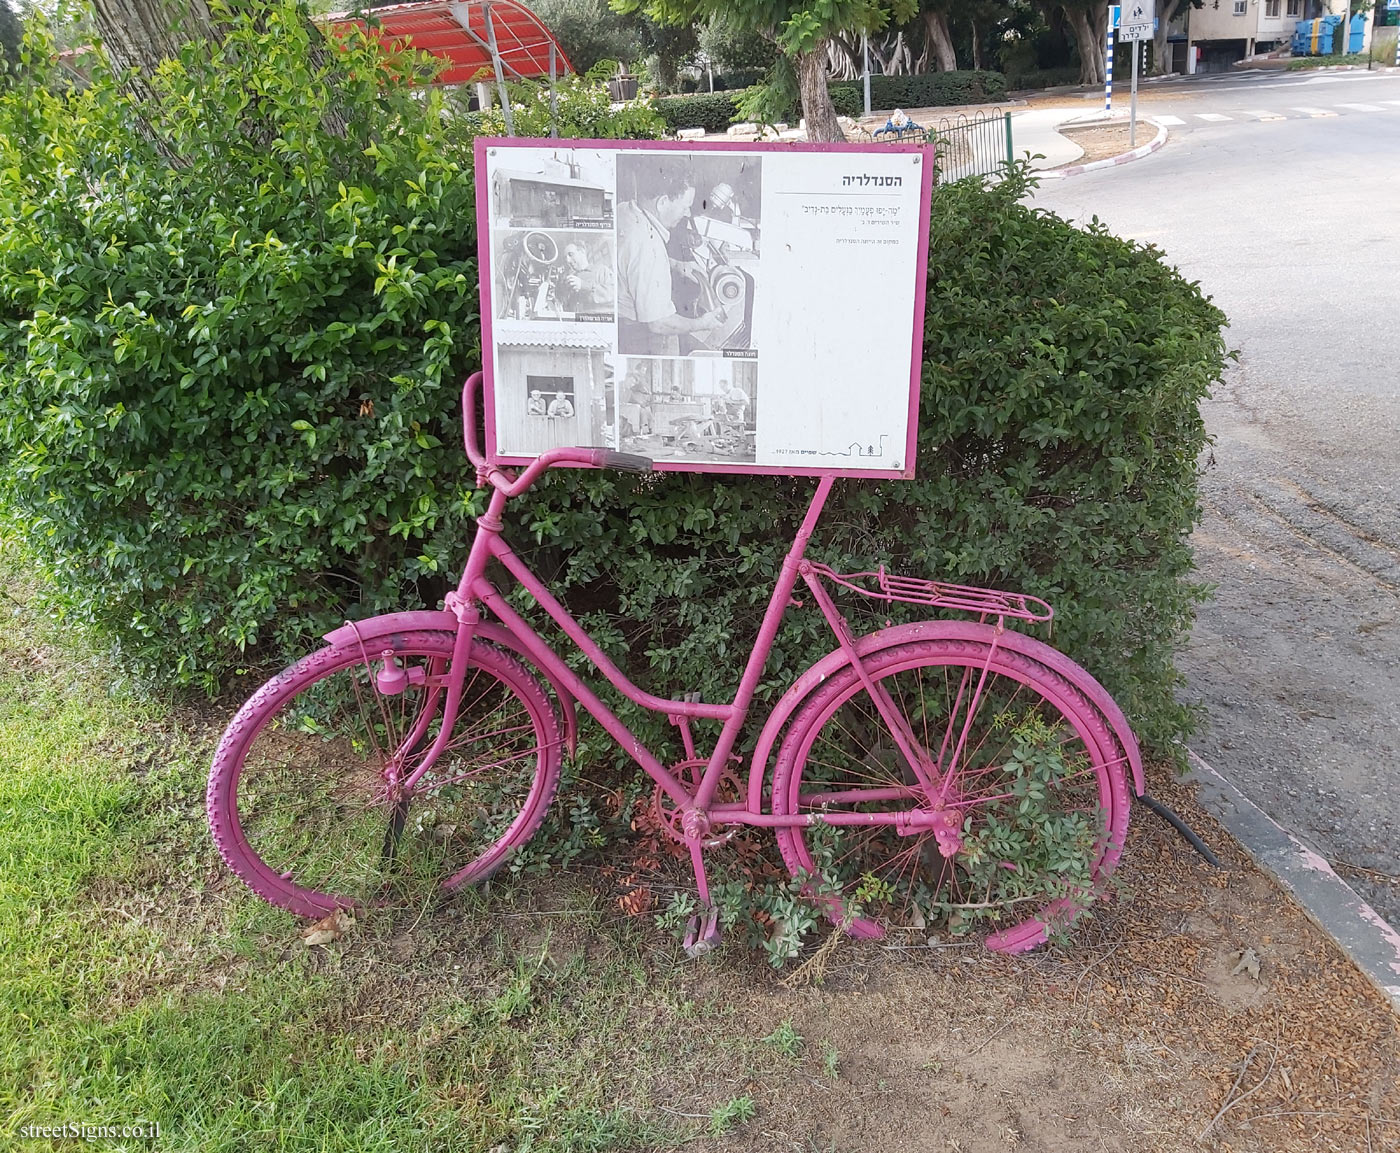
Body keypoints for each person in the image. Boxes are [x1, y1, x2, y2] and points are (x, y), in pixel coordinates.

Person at [616, 162, 725, 355]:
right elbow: (658, 323)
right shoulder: (649, 247)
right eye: (685, 206)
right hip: (634, 334)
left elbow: (629, 261)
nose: (687, 213)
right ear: (663, 202)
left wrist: (676, 264)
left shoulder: (625, 210)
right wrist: (701, 323)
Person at [559, 243, 615, 312]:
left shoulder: (601, 270)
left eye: (570, 255)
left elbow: (614, 294)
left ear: (582, 252)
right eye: (565, 258)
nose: (568, 260)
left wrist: (584, 286)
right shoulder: (571, 277)